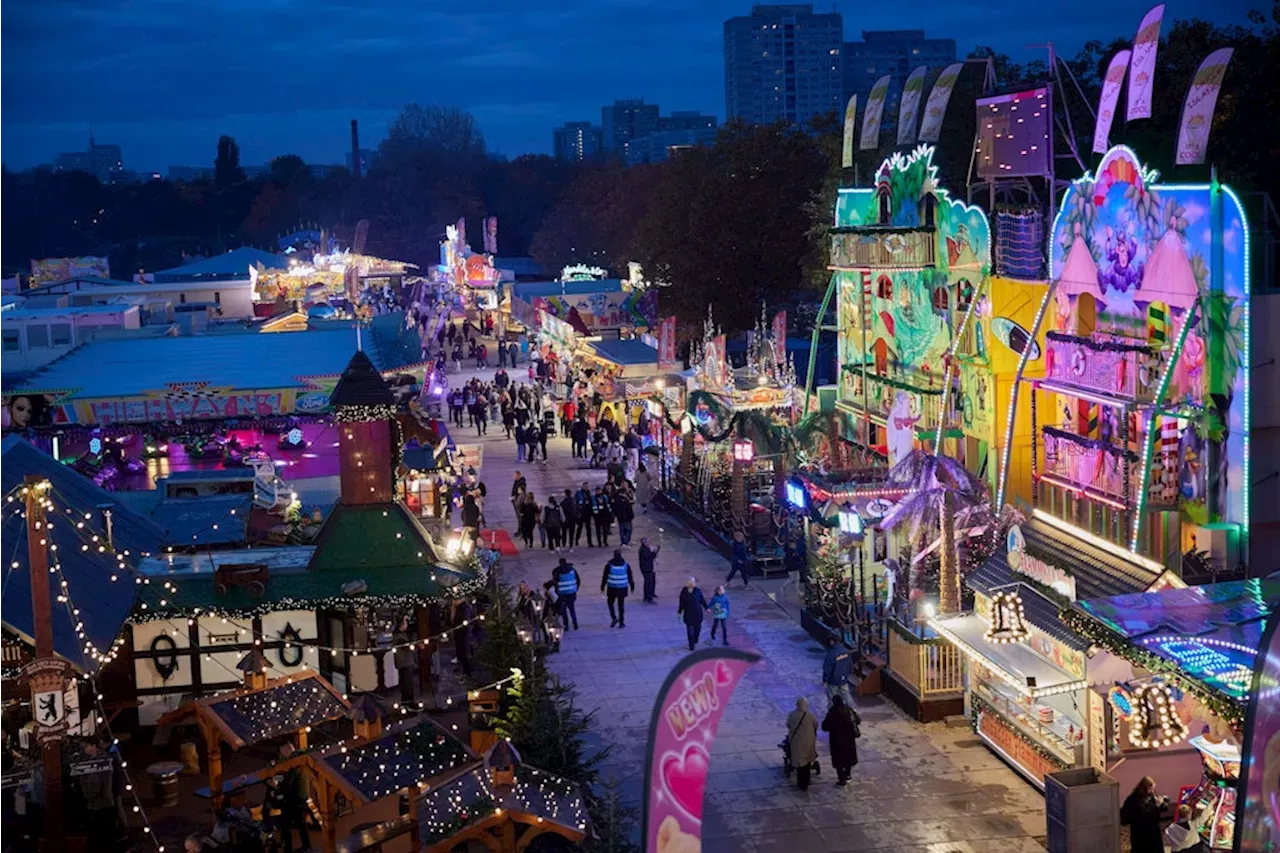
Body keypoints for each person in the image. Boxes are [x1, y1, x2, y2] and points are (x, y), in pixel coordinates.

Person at [77, 740, 118, 841]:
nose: (85, 750)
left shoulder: (104, 758)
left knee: (106, 828)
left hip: (104, 800)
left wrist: (104, 794)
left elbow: (107, 780)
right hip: (91, 801)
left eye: (86, 746)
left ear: (93, 745)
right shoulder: (84, 759)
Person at [276, 742, 312, 853]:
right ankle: (306, 847)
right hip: (300, 796)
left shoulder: (294, 764)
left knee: (288, 825)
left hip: (294, 798)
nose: (281, 756)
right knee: (300, 824)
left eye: (282, 753)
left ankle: (291, 849)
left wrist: (277, 781)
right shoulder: (300, 758)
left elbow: (287, 781)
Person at [1121, 776, 1169, 853]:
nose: (1153, 791)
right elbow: (1144, 816)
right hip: (1142, 833)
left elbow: (1160, 809)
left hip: (1152, 831)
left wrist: (1162, 802)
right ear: (1145, 788)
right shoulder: (1134, 800)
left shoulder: (1149, 795)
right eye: (1151, 789)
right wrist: (1156, 806)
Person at [821, 694, 860, 787]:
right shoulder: (848, 710)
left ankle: (841, 779)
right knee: (848, 757)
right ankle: (848, 774)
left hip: (836, 741)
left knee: (838, 760)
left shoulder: (832, 712)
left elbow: (825, 726)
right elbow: (857, 720)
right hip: (849, 740)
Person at [785, 698, 819, 791]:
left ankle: (801, 782)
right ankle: (807, 780)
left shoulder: (792, 715)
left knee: (800, 763)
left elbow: (788, 725)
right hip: (809, 743)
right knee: (807, 762)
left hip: (797, 743)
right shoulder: (810, 715)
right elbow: (816, 724)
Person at [600, 550, 634, 628]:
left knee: (610, 602)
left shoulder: (609, 565)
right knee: (621, 605)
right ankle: (621, 622)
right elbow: (630, 576)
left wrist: (602, 587)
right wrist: (632, 586)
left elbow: (604, 577)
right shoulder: (625, 565)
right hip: (622, 588)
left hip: (612, 588)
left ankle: (614, 617)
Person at [822, 635, 856, 708]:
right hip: (844, 678)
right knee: (846, 695)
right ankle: (853, 710)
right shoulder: (846, 651)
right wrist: (848, 674)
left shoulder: (831, 653)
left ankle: (832, 712)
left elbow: (827, 668)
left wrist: (825, 679)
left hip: (833, 680)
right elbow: (850, 664)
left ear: (832, 641)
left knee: (832, 698)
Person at [677, 578, 708, 651]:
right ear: (687, 583)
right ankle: (691, 645)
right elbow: (681, 603)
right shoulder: (684, 592)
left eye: (693, 582)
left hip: (698, 614)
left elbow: (702, 600)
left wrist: (706, 608)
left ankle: (695, 639)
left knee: (698, 629)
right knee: (690, 631)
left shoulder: (698, 591)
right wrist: (679, 612)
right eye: (690, 582)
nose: (691, 583)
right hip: (688, 614)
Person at [552, 557, 581, 630]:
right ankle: (575, 623)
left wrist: (557, 591)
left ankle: (566, 625)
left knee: (564, 610)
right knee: (572, 609)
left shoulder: (557, 571)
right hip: (571, 592)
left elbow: (554, 582)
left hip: (562, 594)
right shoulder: (572, 570)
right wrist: (575, 589)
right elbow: (578, 580)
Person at [393, 616, 416, 705]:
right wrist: (415, 646)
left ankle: (407, 702)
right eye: (405, 622)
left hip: (404, 662)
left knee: (406, 684)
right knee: (407, 684)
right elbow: (406, 647)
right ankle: (408, 703)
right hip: (404, 663)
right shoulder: (399, 636)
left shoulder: (400, 634)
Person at [639, 537, 660, 603]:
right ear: (644, 543)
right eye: (648, 542)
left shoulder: (646, 548)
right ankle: (648, 597)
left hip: (650, 568)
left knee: (652, 581)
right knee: (649, 583)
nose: (649, 543)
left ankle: (651, 594)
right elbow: (649, 557)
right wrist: (654, 552)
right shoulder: (643, 550)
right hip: (647, 569)